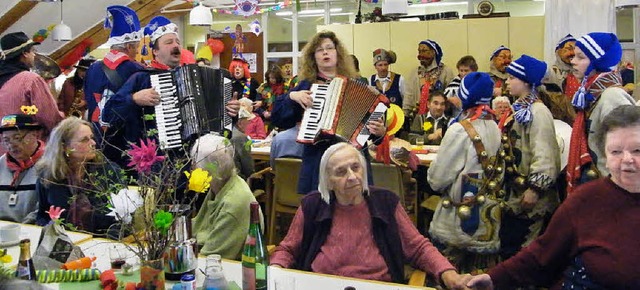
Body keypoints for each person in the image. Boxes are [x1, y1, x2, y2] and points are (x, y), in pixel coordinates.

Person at [466, 105, 640, 290]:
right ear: (604, 154)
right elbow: (542, 254)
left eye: (637, 150)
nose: (627, 159)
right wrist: (493, 279)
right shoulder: (585, 201)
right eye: (616, 151)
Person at [270, 143, 471, 289]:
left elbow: (418, 248)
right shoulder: (313, 205)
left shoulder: (385, 203)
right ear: (328, 181)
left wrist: (448, 274)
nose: (352, 176)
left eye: (355, 167)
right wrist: (276, 270)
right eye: (341, 172)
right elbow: (288, 249)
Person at [102, 16, 241, 165]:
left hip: (193, 161)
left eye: (177, 42)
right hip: (155, 164)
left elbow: (217, 123)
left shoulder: (191, 75)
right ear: (155, 51)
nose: (175, 46)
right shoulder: (141, 78)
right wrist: (134, 98)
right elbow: (108, 113)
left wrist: (231, 112)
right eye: (169, 42)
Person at [270, 30, 386, 194]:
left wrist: (380, 131)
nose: (325, 52)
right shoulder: (305, 86)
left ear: (337, 54)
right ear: (313, 57)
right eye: (319, 50)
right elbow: (278, 118)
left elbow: (374, 133)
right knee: (322, 212)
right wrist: (291, 96)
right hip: (319, 159)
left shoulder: (359, 84)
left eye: (329, 48)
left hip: (353, 160)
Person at [428, 72, 502, 273]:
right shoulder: (495, 127)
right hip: (487, 219)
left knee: (449, 275)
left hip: (457, 220)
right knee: (480, 277)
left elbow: (437, 179)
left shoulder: (459, 130)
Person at [499, 55, 560, 260]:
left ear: (525, 81)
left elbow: (545, 153)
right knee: (511, 247)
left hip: (531, 196)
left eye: (511, 78)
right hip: (515, 193)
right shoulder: (519, 109)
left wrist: (535, 189)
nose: (506, 82)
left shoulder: (538, 112)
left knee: (525, 252)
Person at [565, 32, 636, 193]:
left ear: (598, 61)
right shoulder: (592, 96)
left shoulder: (612, 97)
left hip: (614, 190)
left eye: (580, 57)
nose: (573, 61)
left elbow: (628, 153)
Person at [35, 117, 123, 237]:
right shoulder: (48, 175)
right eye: (84, 140)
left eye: (91, 137)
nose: (93, 143)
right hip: (63, 240)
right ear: (65, 147)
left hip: (104, 241)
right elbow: (42, 215)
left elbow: (123, 219)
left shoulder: (109, 172)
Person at [84, 5, 145, 165]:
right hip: (127, 148)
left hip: (96, 142)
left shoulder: (92, 69)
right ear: (129, 46)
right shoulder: (137, 70)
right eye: (136, 47)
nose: (136, 52)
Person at [190, 134, 260, 260]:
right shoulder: (220, 184)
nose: (192, 167)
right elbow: (199, 226)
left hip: (228, 269)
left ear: (205, 170)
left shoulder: (232, 203)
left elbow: (211, 257)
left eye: (195, 162)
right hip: (203, 252)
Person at [0, 31, 63, 149]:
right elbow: (50, 118)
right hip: (27, 151)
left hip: (4, 151)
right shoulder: (31, 80)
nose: (34, 55)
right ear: (24, 53)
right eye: (33, 51)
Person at [0, 114, 45, 223]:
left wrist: (24, 228)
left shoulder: (50, 164)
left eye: (17, 138)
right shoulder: (1, 163)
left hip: (33, 229)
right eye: (6, 140)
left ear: (35, 135)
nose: (12, 145)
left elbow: (46, 209)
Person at [404, 39, 456, 117]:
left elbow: (452, 96)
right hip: (418, 117)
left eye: (424, 51)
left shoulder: (446, 71)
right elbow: (408, 96)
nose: (421, 55)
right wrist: (405, 115)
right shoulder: (414, 72)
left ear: (433, 52)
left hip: (441, 116)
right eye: (419, 51)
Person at [231, 108, 256, 179]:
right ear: (239, 123)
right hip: (237, 178)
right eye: (247, 122)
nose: (248, 124)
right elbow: (248, 168)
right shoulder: (241, 137)